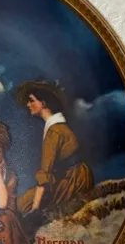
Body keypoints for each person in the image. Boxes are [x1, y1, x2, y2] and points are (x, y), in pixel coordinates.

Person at [13, 80, 94, 228]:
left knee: (20, 205)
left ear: (43, 103)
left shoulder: (54, 132)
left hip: (72, 180)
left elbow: (45, 174)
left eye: (31, 100)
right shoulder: (58, 126)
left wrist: (35, 209)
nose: (28, 104)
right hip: (79, 175)